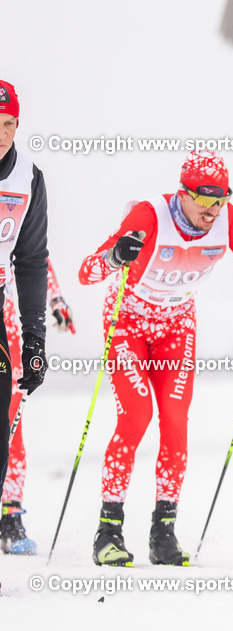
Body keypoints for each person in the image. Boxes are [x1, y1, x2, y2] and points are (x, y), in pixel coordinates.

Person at [79, 150, 233, 567]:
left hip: (176, 331)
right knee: (135, 416)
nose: (213, 209)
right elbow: (87, 271)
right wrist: (115, 257)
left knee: (174, 422)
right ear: (183, 194)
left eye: (220, 199)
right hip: (128, 325)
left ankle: (163, 533)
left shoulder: (227, 220)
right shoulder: (149, 216)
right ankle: (108, 530)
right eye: (204, 200)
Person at [0, 79, 50, 554]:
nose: (1, 133)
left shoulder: (28, 178)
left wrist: (35, 337)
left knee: (6, 416)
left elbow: (33, 261)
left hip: (2, 306)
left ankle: (9, 510)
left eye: (9, 123)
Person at [1, 259, 75, 555]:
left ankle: (10, 516)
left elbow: (35, 260)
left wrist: (55, 299)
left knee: (8, 427)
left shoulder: (12, 214)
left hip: (5, 325)